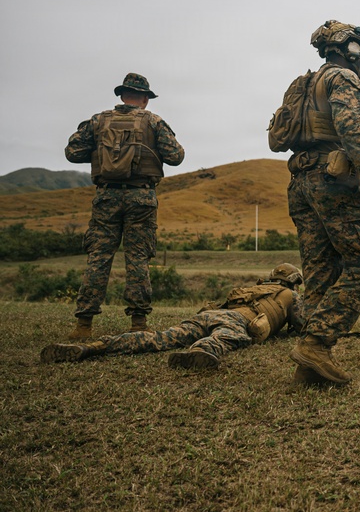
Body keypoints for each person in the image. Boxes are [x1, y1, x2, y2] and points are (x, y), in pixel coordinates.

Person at [273, 20, 360, 385]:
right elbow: (353, 129)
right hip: (333, 183)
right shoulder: (342, 78)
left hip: (302, 183)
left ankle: (308, 367)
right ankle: (316, 343)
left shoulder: (302, 85)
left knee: (320, 273)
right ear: (352, 50)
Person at [64, 73, 185, 339]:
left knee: (98, 257)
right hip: (141, 198)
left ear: (121, 95)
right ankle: (138, 323)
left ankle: (83, 325)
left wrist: (101, 150)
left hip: (106, 197)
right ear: (144, 99)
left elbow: (72, 152)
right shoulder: (153, 121)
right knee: (138, 258)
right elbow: (176, 156)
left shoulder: (98, 121)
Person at [40, 264, 305, 370]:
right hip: (236, 321)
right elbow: (302, 325)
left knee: (161, 337)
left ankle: (97, 346)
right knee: (224, 338)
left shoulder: (257, 287)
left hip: (210, 314)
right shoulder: (290, 295)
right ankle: (201, 351)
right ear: (294, 281)